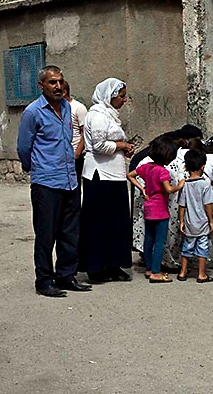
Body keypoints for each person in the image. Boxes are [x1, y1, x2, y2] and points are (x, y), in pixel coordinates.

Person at [17, 65, 91, 297]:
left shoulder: (68, 107)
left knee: (70, 232)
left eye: (60, 81)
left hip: (70, 179)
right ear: (41, 86)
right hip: (46, 182)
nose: (58, 86)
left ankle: (66, 275)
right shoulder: (32, 112)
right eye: (52, 82)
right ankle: (45, 281)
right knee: (46, 234)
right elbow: (24, 147)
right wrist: (37, 168)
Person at [78, 78, 135, 283]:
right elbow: (100, 146)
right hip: (100, 176)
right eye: (121, 96)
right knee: (99, 222)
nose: (124, 100)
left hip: (115, 175)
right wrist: (121, 145)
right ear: (109, 96)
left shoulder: (110, 115)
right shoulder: (98, 115)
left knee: (115, 221)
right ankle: (96, 266)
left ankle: (113, 264)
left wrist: (123, 148)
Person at [127, 136, 185, 283]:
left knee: (149, 240)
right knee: (160, 242)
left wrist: (142, 189)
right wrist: (179, 185)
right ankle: (156, 272)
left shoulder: (146, 167)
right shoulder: (163, 172)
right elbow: (169, 189)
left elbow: (130, 175)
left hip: (148, 207)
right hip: (160, 210)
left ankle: (148, 268)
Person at [178, 148, 213, 283]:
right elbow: (208, 205)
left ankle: (182, 272)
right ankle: (201, 274)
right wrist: (211, 221)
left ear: (186, 167)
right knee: (202, 248)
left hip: (189, 222)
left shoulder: (185, 185)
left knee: (187, 247)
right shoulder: (205, 184)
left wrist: (181, 221)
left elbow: (182, 205)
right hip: (203, 222)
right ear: (203, 166)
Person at [63, 81, 88, 186]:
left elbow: (85, 133)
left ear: (64, 92)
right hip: (60, 155)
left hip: (74, 154)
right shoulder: (56, 109)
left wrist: (77, 153)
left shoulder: (78, 108)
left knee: (74, 186)